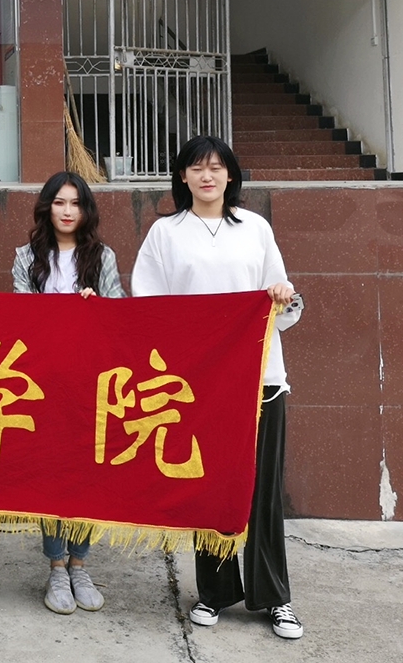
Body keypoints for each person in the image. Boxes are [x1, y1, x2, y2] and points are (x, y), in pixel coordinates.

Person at [130, 135, 305, 641]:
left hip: (260, 381)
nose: (207, 176)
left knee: (263, 492)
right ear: (182, 176)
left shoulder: (256, 228)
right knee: (211, 488)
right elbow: (150, 306)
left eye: (216, 167)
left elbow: (282, 305)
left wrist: (282, 296)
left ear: (231, 175)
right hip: (198, 385)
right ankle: (214, 592)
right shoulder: (165, 233)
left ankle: (274, 597)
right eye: (196, 168)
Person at [11, 171, 122, 615]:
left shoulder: (102, 256)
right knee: (52, 474)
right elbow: (20, 313)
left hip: (89, 382)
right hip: (44, 381)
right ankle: (56, 566)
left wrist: (97, 308)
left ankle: (80, 564)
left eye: (75, 203)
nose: (67, 211)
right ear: (46, 207)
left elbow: (120, 312)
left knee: (86, 473)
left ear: (86, 209)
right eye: (59, 202)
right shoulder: (26, 256)